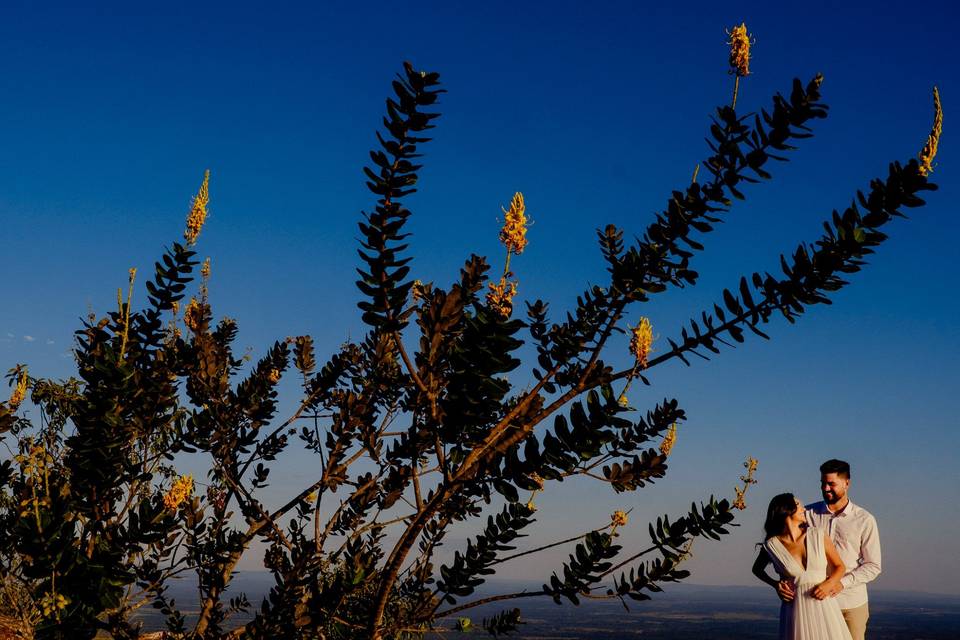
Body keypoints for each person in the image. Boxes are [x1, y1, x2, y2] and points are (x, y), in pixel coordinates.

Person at [782, 460, 881, 640]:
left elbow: (873, 565)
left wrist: (841, 583)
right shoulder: (807, 514)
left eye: (831, 484)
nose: (826, 488)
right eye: (822, 483)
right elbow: (786, 547)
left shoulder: (865, 520)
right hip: (813, 604)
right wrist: (780, 582)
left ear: (847, 483)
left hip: (850, 604)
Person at [752, 493, 852, 639]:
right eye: (799, 505)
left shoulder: (817, 535)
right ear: (787, 510)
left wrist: (828, 584)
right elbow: (757, 569)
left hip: (824, 606)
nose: (804, 509)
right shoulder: (772, 545)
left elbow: (840, 566)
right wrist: (775, 585)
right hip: (795, 609)